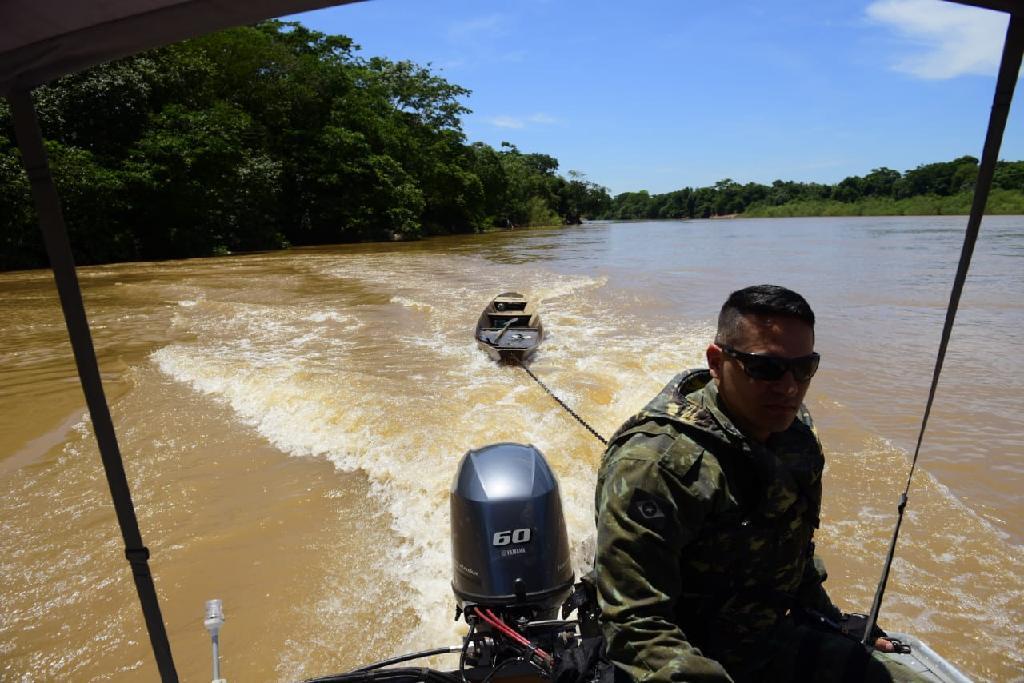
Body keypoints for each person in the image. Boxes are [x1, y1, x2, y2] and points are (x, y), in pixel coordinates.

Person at [593, 284, 925, 682]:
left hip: (767, 641)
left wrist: (828, 619)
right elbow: (636, 625)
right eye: (766, 368)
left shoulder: (794, 434)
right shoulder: (654, 467)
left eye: (804, 368)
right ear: (717, 362)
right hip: (683, 658)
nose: (789, 388)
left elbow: (791, 548)